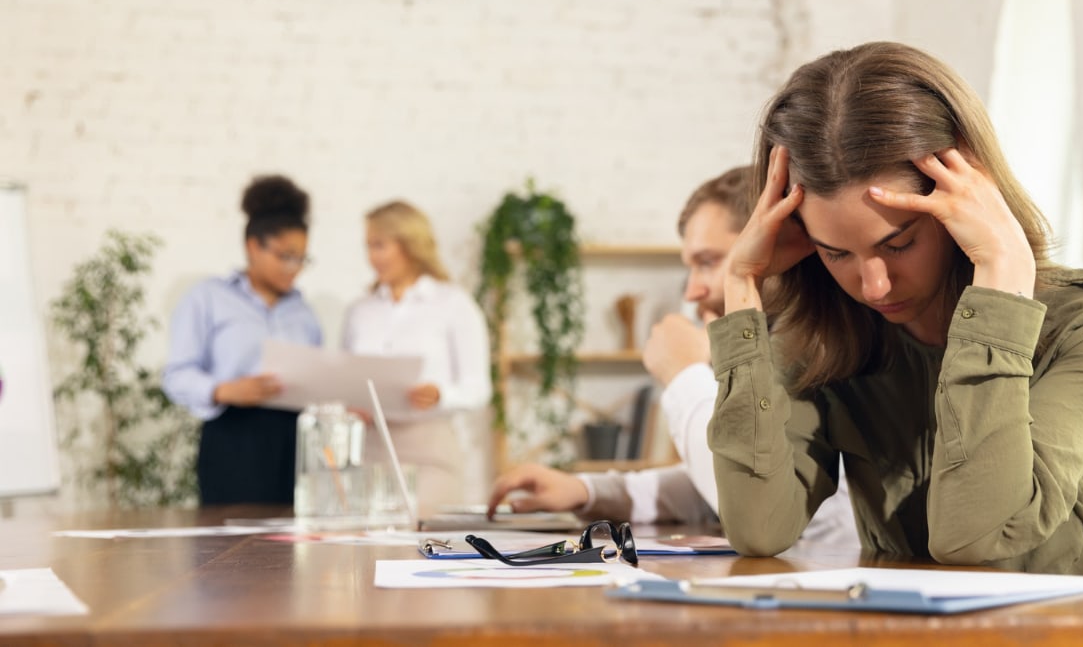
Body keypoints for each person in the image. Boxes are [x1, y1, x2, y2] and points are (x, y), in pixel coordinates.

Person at [709, 41, 1083, 591]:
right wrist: (740, 286)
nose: (874, 286)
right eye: (836, 253)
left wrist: (1001, 276)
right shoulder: (822, 342)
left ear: (965, 194)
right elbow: (758, 527)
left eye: (900, 243)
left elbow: (974, 536)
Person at [487, 167, 857, 545]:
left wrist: (684, 376)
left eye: (708, 262)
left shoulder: (823, 350)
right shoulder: (775, 341)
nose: (693, 290)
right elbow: (732, 475)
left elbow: (769, 509)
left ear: (774, 244)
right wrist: (587, 491)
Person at [164, 175, 322, 505]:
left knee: (296, 546)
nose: (295, 268)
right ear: (253, 246)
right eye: (285, 256)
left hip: (294, 443)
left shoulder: (303, 312)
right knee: (231, 549)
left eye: (301, 258)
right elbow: (176, 374)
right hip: (234, 438)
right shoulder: (208, 298)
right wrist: (224, 390)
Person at [341, 200, 491, 507]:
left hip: (429, 448)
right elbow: (349, 376)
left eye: (380, 246)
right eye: (368, 246)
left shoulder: (454, 304)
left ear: (410, 244)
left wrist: (440, 395)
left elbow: (479, 388)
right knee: (364, 547)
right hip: (370, 447)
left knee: (421, 541)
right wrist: (352, 403)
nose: (372, 257)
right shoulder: (360, 310)